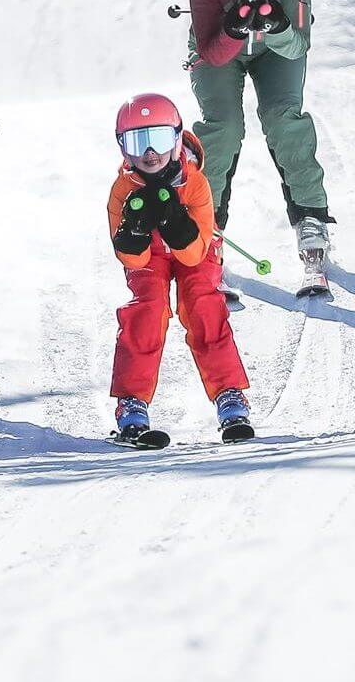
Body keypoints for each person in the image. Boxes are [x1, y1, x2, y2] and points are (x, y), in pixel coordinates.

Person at [187, 0, 334, 265]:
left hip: (275, 51)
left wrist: (278, 26)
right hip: (220, 49)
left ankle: (311, 216)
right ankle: (206, 223)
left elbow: (298, 44)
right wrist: (234, 30)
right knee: (223, 126)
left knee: (284, 118)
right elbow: (211, 52)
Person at [107, 92, 254, 445]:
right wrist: (134, 234)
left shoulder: (195, 183)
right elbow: (131, 261)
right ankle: (132, 403)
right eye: (137, 143)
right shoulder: (123, 190)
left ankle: (229, 395)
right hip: (151, 255)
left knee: (203, 303)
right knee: (148, 308)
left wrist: (176, 225)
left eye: (158, 140)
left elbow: (194, 255)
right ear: (123, 148)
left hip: (194, 250)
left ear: (175, 140)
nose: (150, 153)